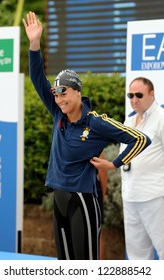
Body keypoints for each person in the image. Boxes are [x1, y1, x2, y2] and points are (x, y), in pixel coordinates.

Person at [23, 12, 151, 260]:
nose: (59, 99)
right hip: (59, 196)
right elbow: (38, 78)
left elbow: (140, 139)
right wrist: (35, 43)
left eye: (64, 93)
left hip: (83, 200)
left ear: (78, 92)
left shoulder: (97, 123)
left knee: (87, 264)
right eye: (56, 94)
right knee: (65, 263)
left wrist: (114, 163)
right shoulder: (58, 113)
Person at [120, 77, 164, 260]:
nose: (134, 99)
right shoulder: (128, 121)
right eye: (131, 95)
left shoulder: (161, 118)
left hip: (155, 196)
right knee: (136, 253)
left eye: (139, 95)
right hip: (130, 196)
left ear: (152, 94)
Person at [96, 151, 107, 259]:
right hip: (91, 190)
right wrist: (103, 193)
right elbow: (102, 170)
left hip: (67, 189)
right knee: (97, 232)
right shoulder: (94, 137)